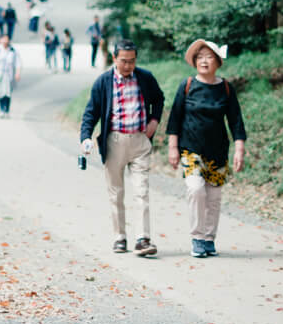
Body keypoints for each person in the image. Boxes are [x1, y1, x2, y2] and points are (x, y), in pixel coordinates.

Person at [79, 40, 165, 257]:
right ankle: (120, 236)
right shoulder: (103, 82)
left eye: (132, 61)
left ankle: (142, 239)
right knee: (116, 193)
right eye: (124, 61)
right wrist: (85, 138)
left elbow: (159, 99)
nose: (128, 66)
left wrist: (154, 120)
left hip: (139, 140)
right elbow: (91, 113)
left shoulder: (145, 78)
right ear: (115, 59)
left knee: (142, 191)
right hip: (114, 141)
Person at [167, 40, 248, 258]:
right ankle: (197, 237)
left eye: (209, 56)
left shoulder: (226, 88)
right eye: (200, 56)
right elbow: (174, 118)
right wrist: (172, 148)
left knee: (213, 196)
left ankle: (209, 239)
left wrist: (239, 150)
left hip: (218, 151)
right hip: (190, 149)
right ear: (194, 61)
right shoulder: (187, 85)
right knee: (195, 189)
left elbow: (236, 122)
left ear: (218, 62)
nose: (204, 60)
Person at [0, 34, 21, 116]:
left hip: (8, 74)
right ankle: (2, 109)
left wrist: (17, 73)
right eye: (4, 39)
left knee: (7, 93)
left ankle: (7, 110)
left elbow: (17, 63)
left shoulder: (13, 50)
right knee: (0, 92)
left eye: (7, 39)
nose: (5, 41)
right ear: (0, 40)